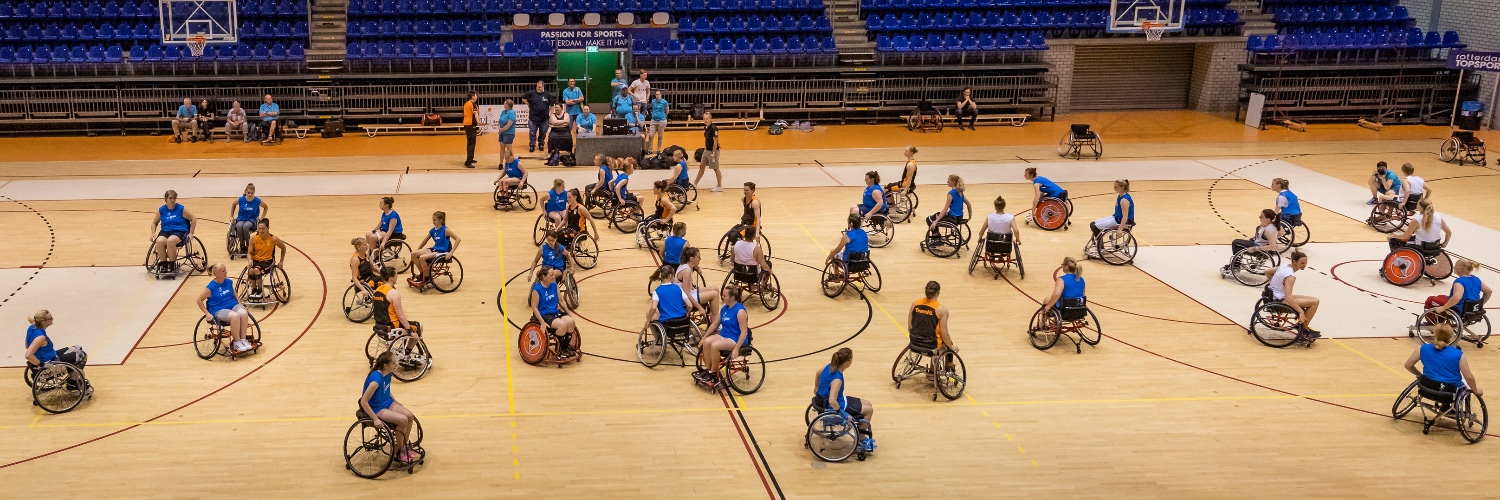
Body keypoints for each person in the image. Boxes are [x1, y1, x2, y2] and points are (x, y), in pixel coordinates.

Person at [359, 350, 420, 464]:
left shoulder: (388, 374)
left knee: (409, 415)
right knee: (402, 420)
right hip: (377, 408)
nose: (395, 364)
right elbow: (364, 401)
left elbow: (386, 390)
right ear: (386, 365)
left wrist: (395, 402)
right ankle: (398, 450)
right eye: (393, 363)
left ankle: (403, 447)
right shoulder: (375, 381)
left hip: (387, 402)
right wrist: (375, 419)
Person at [814, 348, 875, 452]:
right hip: (837, 405)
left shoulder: (829, 366)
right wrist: (841, 412)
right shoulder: (837, 379)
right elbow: (832, 401)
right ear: (847, 362)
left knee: (868, 403)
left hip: (825, 398)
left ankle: (860, 434)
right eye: (851, 359)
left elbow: (817, 373)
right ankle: (860, 440)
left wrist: (816, 387)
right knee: (869, 410)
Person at [1403, 323, 1483, 400]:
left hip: (1427, 386)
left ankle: (1445, 406)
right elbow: (1469, 377)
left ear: (1435, 334)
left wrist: (1419, 374)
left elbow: (1408, 365)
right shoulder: (1458, 354)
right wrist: (1475, 391)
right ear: (1451, 337)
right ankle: (1457, 410)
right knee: (1467, 383)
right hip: (1449, 391)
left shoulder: (1422, 349)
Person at [696, 282, 747, 386]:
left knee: (715, 346)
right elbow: (715, 325)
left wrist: (737, 349)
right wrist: (703, 338)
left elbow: (744, 332)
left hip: (734, 338)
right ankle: (708, 370)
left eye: (724, 296)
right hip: (724, 335)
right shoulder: (724, 309)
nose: (722, 297)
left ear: (732, 297)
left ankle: (713, 374)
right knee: (706, 342)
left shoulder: (740, 311)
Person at [197, 263, 255, 353]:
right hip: (218, 309)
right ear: (216, 273)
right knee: (235, 316)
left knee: (243, 313)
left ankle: (243, 339)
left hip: (232, 305)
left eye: (225, 270)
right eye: (223, 271)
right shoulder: (210, 287)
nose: (225, 272)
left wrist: (240, 303)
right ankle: (236, 342)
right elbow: (199, 300)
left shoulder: (228, 282)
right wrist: (207, 314)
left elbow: (234, 294)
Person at [24, 310, 88, 387]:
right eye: (50, 318)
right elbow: (28, 355)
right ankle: (73, 381)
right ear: (44, 322)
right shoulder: (40, 337)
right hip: (52, 362)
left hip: (53, 355)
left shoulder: (32, 327)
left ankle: (73, 376)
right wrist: (42, 364)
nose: (52, 319)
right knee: (82, 355)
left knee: (77, 347)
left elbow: (27, 346)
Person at [1266, 251, 1320, 337]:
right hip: (1280, 301)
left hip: (1273, 296)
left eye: (1305, 262)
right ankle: (1302, 329)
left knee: (1313, 299)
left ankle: (1302, 325)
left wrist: (1276, 285)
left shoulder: (1284, 266)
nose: (1304, 265)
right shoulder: (1290, 276)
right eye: (1302, 263)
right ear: (1294, 262)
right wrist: (1301, 312)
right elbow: (1288, 298)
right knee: (1314, 302)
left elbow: (1267, 272)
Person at [530, 265, 579, 358]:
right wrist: (542, 322)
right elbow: (534, 307)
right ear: (544, 277)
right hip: (544, 314)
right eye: (551, 275)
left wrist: (568, 313)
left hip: (555, 312)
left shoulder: (554, 285)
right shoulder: (537, 289)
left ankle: (565, 347)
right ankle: (560, 349)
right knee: (562, 325)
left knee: (570, 322)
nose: (554, 276)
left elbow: (561, 301)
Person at [645, 264, 704, 335]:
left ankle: (658, 340)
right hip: (682, 320)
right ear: (670, 276)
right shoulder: (679, 288)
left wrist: (648, 321)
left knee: (649, 314)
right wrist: (686, 313)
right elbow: (690, 305)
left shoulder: (657, 291)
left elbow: (654, 307)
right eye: (674, 275)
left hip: (668, 323)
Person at [1426, 259, 1492, 320]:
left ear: (1462, 269)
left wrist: (1443, 308)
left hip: (1459, 309)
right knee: (1440, 297)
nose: (1454, 267)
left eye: (1456, 266)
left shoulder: (1459, 281)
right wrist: (1479, 306)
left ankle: (1431, 322)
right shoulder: (1476, 279)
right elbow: (1489, 291)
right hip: (1471, 307)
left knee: (1430, 300)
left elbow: (1457, 297)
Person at [409, 211, 461, 288]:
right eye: (432, 220)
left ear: (440, 220)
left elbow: (458, 239)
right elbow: (425, 241)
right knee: (413, 254)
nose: (433, 222)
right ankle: (423, 274)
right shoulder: (433, 230)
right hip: (435, 249)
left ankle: (426, 277)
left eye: (435, 220)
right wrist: (418, 250)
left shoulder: (445, 230)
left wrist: (451, 253)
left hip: (442, 251)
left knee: (422, 258)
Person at [150, 189, 197, 273]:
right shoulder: (161, 210)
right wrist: (153, 233)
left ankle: (172, 264)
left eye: (174, 198)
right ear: (166, 199)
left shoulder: (181, 209)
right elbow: (154, 223)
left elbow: (193, 219)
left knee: (170, 241)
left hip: (179, 231)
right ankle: (164, 263)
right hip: (165, 231)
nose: (172, 200)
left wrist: (191, 233)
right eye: (170, 198)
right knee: (159, 241)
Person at [1087, 179, 1134, 259]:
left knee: (1094, 227)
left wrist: (1120, 229)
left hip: (1121, 221)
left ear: (1122, 187)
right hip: (1116, 217)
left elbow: (1125, 216)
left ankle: (1101, 248)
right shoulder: (1120, 196)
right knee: (1092, 224)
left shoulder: (1124, 200)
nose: (1114, 188)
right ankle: (1099, 245)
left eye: (1116, 187)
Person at [909, 281, 958, 355]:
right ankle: (950, 364)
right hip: (932, 346)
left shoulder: (915, 304)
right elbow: (944, 334)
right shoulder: (941, 310)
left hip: (914, 343)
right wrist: (951, 346)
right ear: (938, 293)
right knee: (948, 343)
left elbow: (910, 326)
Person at [244, 218, 287, 302]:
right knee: (251, 270)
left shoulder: (273, 239)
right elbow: (249, 253)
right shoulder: (253, 238)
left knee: (256, 270)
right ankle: (254, 290)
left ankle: (259, 290)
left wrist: (281, 261)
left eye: (263, 229)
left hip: (268, 262)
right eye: (259, 228)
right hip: (256, 260)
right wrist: (249, 260)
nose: (261, 230)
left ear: (268, 228)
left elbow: (283, 248)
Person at [676, 246, 720, 314]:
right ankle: (715, 320)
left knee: (716, 289)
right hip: (683, 299)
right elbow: (686, 293)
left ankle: (712, 314)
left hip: (688, 293)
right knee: (715, 294)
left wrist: (698, 269)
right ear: (692, 259)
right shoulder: (686, 271)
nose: (700, 259)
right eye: (698, 257)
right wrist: (699, 307)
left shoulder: (686, 265)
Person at [229, 183, 267, 255]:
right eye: (248, 193)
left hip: (251, 219)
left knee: (246, 226)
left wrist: (262, 217)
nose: (250, 194)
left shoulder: (257, 201)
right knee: (239, 226)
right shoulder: (241, 199)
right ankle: (242, 246)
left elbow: (266, 207)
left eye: (251, 193)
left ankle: (248, 245)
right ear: (246, 192)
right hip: (241, 218)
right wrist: (231, 216)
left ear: (254, 193)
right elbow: (233, 204)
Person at [693, 111, 723, 192]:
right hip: (706, 150)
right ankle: (695, 183)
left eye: (707, 119)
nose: (705, 120)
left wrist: (713, 153)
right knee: (702, 166)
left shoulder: (714, 128)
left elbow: (715, 141)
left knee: (716, 168)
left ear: (710, 119)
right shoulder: (705, 127)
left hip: (713, 151)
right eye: (704, 119)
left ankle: (719, 186)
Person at [727, 182, 761, 247]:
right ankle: (736, 249)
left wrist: (757, 233)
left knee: (735, 235)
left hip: (751, 226)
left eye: (747, 190)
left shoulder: (755, 203)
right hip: (744, 223)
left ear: (752, 190)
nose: (745, 192)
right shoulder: (743, 199)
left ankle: (739, 250)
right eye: (744, 190)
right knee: (730, 234)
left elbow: (758, 218)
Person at [522, 80, 552, 153]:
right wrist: (528, 104)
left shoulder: (547, 94)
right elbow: (523, 98)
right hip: (533, 118)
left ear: (543, 87)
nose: (538, 88)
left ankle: (541, 143)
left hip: (544, 118)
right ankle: (532, 145)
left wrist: (551, 115)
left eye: (540, 87)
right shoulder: (531, 93)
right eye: (537, 87)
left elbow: (552, 104)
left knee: (543, 132)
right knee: (532, 132)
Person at [496, 99, 517, 163]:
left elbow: (509, 125)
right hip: (502, 132)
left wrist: (501, 130)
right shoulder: (503, 112)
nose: (504, 105)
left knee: (509, 149)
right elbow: (499, 121)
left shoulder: (512, 113)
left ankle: (512, 163)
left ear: (507, 105)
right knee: (502, 148)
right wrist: (499, 128)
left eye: (505, 104)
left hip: (509, 133)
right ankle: (501, 163)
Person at [462, 91, 478, 168]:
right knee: (471, 143)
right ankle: (468, 162)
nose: (476, 96)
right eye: (475, 95)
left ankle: (470, 158)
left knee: (470, 142)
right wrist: (479, 122)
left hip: (466, 124)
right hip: (471, 125)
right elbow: (475, 114)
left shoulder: (466, 103)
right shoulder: (473, 104)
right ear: (473, 96)